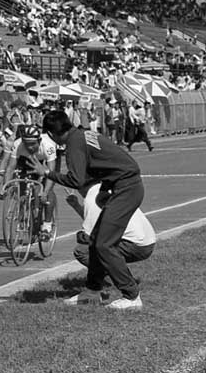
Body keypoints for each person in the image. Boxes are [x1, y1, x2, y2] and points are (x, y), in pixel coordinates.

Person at [42, 108, 145, 310]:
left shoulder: (73, 144)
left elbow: (76, 179)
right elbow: (109, 160)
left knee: (104, 245)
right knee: (96, 241)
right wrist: (106, 186)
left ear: (52, 134)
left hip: (127, 188)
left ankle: (132, 296)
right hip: (122, 186)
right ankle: (92, 291)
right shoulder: (83, 133)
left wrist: (47, 172)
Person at [72, 182, 155, 292]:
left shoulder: (91, 198)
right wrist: (76, 206)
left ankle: (121, 281)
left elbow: (87, 236)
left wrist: (80, 235)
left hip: (135, 245)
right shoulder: (107, 190)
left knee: (83, 250)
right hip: (146, 241)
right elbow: (95, 221)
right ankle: (116, 274)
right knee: (100, 244)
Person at [0, 123, 58, 240]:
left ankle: (47, 225)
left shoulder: (48, 146)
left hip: (46, 162)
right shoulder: (18, 144)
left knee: (47, 189)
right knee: (24, 187)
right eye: (26, 144)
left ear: (39, 140)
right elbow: (10, 168)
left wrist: (45, 192)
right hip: (28, 160)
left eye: (32, 144)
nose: (29, 147)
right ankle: (29, 214)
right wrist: (5, 186)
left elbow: (51, 173)